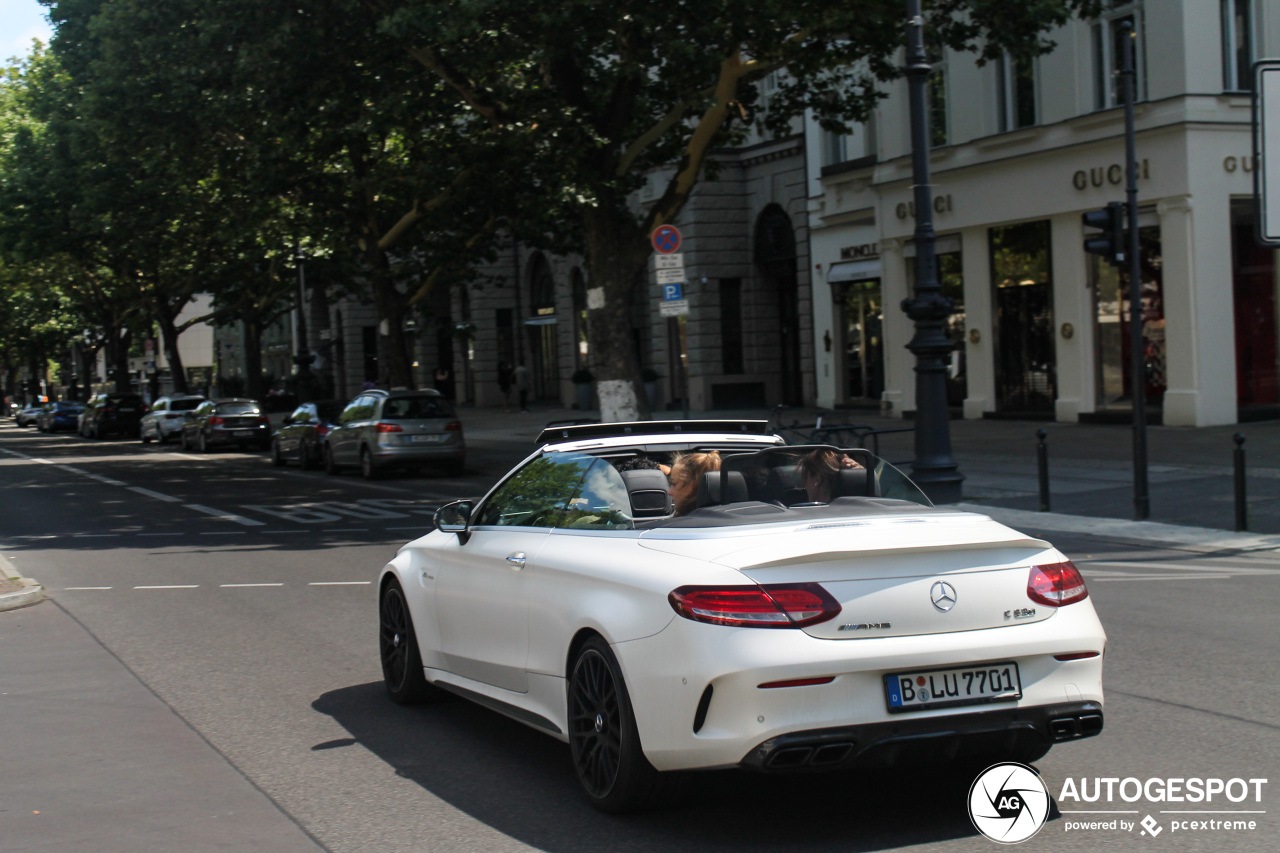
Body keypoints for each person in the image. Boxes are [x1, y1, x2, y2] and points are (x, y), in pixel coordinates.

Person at [667, 451, 721, 516]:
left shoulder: (682, 524)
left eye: (674, 484)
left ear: (693, 486)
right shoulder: (729, 514)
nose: (669, 492)